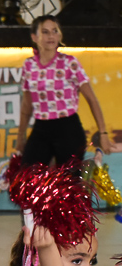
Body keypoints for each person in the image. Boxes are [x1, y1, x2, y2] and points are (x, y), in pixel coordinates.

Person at [16, 15, 112, 168]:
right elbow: (27, 106)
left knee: (68, 180)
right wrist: (20, 136)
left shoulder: (70, 63)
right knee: (28, 176)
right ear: (34, 37)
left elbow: (92, 99)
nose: (51, 36)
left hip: (68, 129)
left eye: (55, 31)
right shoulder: (29, 65)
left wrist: (103, 133)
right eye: (45, 32)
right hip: (41, 128)